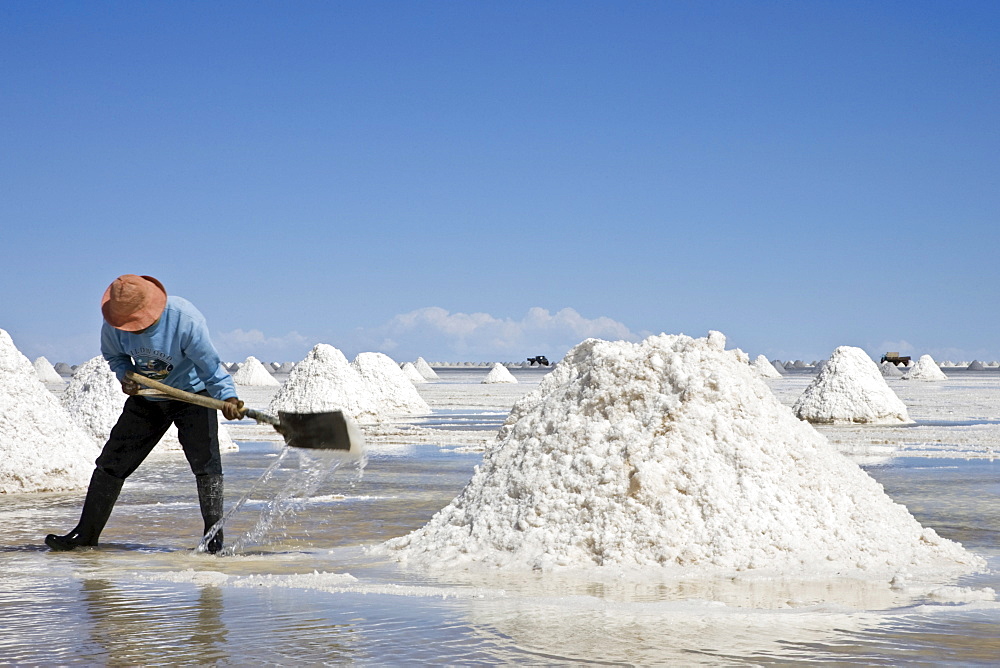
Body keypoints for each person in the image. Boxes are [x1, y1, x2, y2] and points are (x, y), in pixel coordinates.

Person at [46, 275, 244, 554]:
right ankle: (85, 534)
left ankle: (213, 539)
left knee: (206, 465)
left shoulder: (184, 319)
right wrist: (126, 376)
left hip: (194, 395)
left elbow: (210, 368)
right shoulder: (114, 325)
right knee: (111, 463)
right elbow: (115, 357)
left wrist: (227, 397)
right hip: (148, 397)